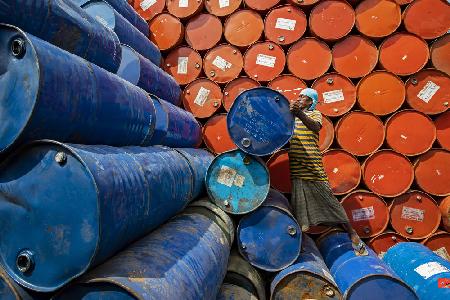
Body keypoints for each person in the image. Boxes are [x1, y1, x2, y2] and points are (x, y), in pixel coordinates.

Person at [289, 88, 368, 255]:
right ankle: (300, 245)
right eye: (299, 96)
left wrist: (298, 114)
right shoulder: (292, 116)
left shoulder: (314, 114)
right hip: (297, 165)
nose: (300, 98)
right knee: (299, 205)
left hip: (312, 164)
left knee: (328, 199)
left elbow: (315, 127)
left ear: (311, 102)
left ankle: (352, 233)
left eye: (304, 97)